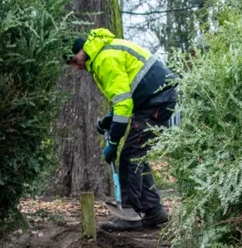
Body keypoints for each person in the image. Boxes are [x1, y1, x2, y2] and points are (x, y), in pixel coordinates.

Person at [68, 28, 178, 232]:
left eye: (74, 61)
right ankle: (154, 211)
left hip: (156, 101)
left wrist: (113, 143)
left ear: (82, 51)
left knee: (129, 156)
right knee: (136, 155)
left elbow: (124, 105)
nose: (75, 67)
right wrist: (110, 119)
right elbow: (125, 95)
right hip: (156, 99)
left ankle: (129, 213)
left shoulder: (104, 59)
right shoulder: (104, 50)